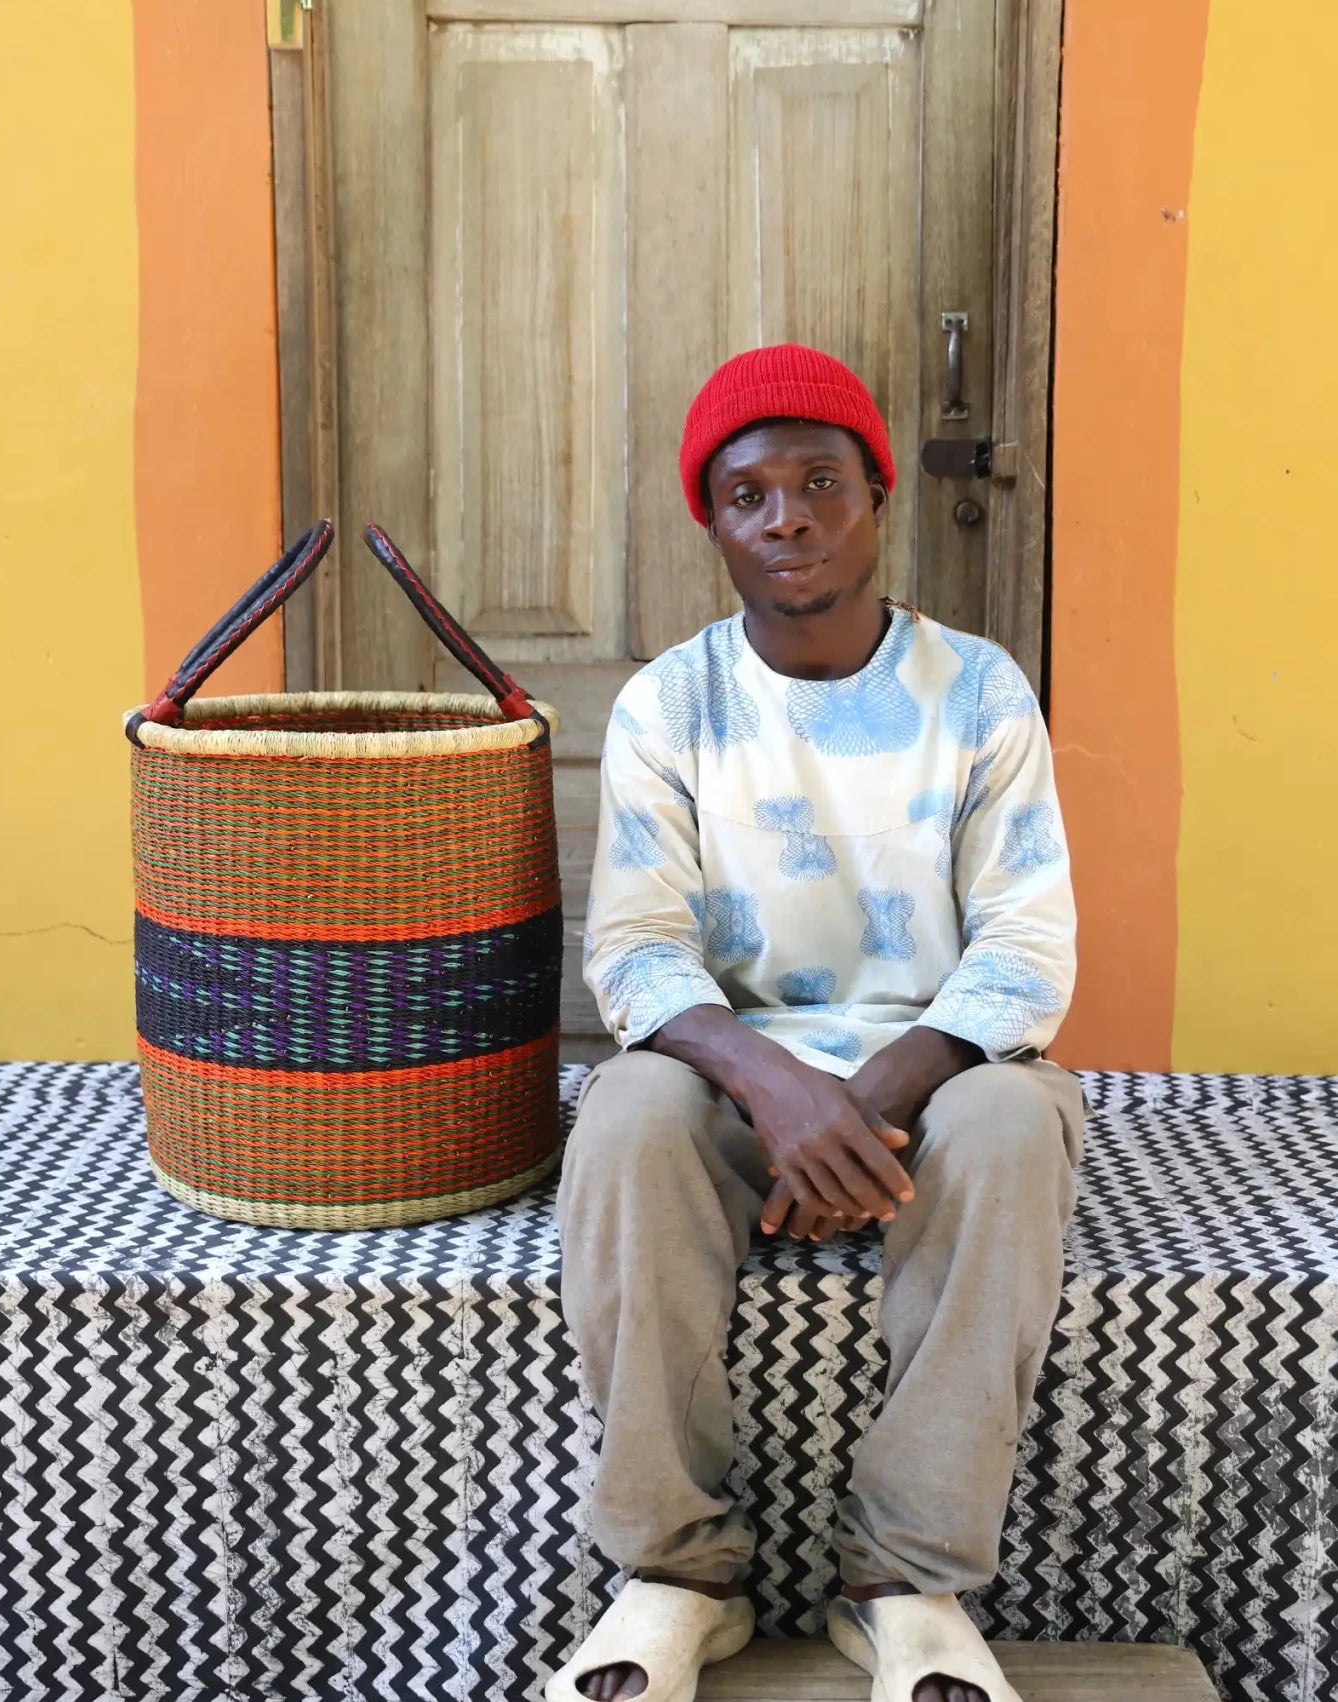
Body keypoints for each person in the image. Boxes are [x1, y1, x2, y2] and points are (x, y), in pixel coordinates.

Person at [546, 344, 1082, 1702]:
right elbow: (635, 947)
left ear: (876, 496)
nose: (785, 516)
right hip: (736, 1084)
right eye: (747, 494)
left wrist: (881, 1088)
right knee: (622, 1116)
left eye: (818, 483)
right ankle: (678, 1575)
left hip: (939, 1080)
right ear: (712, 523)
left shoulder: (976, 691)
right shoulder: (672, 703)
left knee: (1016, 1125)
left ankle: (905, 1582)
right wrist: (774, 1087)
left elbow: (1025, 939)